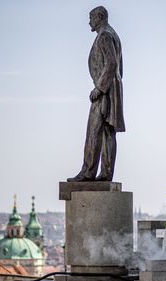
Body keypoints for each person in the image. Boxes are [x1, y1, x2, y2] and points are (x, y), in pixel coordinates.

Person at [68, 6, 125, 182]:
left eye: (91, 17)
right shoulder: (112, 34)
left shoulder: (105, 35)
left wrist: (99, 88)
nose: (89, 21)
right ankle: (106, 173)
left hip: (104, 91)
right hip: (112, 89)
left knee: (94, 130)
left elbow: (112, 64)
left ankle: (88, 172)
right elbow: (119, 68)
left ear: (100, 17)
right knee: (108, 132)